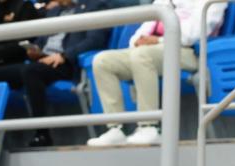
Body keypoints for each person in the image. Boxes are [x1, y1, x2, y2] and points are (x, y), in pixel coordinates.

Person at [0, 0, 111, 147]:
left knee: (31, 72)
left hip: (66, 63)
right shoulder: (54, 11)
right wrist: (34, 50)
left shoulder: (94, 6)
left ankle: (42, 134)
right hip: (42, 60)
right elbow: (41, 40)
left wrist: (64, 56)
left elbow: (95, 40)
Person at [87, 0, 222, 146]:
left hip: (188, 51)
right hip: (153, 49)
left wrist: (157, 40)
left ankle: (149, 127)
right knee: (102, 61)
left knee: (141, 56)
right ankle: (116, 128)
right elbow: (143, 30)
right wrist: (139, 41)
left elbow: (193, 34)